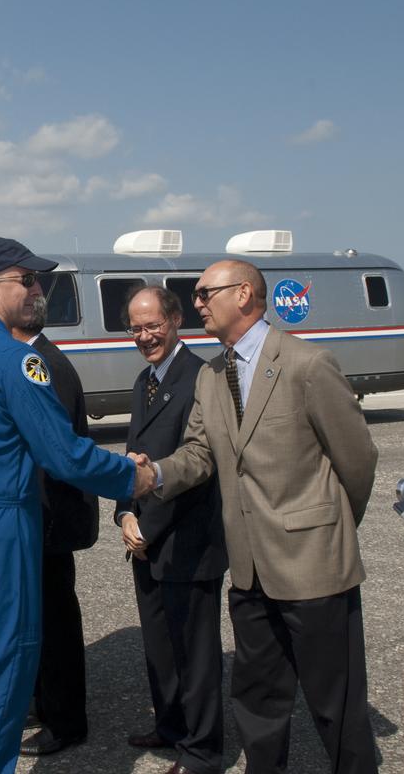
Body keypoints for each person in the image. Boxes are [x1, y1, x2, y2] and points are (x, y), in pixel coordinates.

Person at [0, 237, 156, 774]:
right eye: (29, 279)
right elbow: (64, 455)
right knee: (1, 683)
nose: (38, 289)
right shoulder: (12, 358)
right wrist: (133, 478)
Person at [147, 259, 379, 774]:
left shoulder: (307, 365)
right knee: (258, 699)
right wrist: (154, 476)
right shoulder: (210, 376)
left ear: (245, 294)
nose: (198, 303)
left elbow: (357, 461)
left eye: (206, 293)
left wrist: (329, 530)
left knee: (335, 703)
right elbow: (199, 455)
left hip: (314, 566)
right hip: (250, 568)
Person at [115, 286, 228, 774]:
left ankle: (201, 750)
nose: (145, 336)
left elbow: (198, 466)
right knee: (159, 645)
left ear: (176, 319)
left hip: (187, 538)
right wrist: (124, 513)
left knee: (194, 653)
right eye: (135, 328)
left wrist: (148, 526)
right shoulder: (145, 381)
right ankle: (170, 725)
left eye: (153, 325)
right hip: (145, 537)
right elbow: (134, 456)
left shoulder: (201, 377)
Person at [12, 296, 100, 757]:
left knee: (56, 621)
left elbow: (57, 450)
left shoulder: (42, 365)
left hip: (50, 515)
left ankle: (66, 721)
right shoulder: (32, 359)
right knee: (40, 617)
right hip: (37, 514)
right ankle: (44, 703)